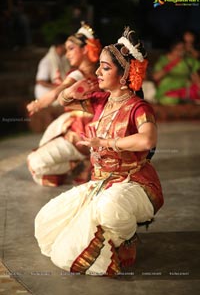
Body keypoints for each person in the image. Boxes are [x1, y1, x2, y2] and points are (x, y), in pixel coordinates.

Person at [34, 26, 164, 276]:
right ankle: (109, 229)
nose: (97, 71)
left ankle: (126, 240)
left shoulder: (139, 107)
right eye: (100, 66)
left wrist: (106, 143)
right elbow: (65, 101)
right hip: (101, 182)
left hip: (135, 183)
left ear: (124, 74)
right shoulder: (101, 101)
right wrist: (73, 89)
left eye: (105, 67)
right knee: (47, 222)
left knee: (109, 210)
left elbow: (147, 140)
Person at [27, 22, 102, 187]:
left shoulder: (77, 74)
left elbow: (56, 93)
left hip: (79, 134)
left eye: (71, 49)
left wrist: (36, 105)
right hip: (97, 136)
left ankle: (77, 165)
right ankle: (85, 163)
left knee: (34, 164)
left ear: (85, 49)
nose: (67, 54)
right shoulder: (102, 73)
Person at [152, 39, 200, 105]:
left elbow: (195, 77)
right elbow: (156, 77)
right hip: (169, 89)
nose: (180, 51)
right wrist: (173, 63)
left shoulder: (188, 60)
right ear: (172, 49)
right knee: (170, 100)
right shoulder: (164, 60)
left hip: (185, 89)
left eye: (182, 48)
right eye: (177, 49)